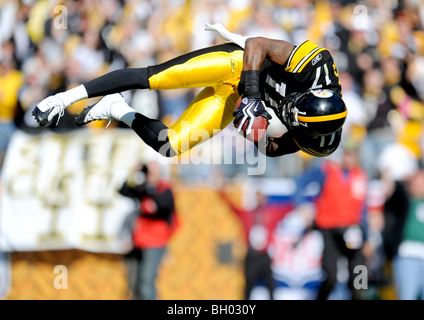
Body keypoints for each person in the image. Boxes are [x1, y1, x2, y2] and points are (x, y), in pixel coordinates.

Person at [32, 23, 346, 159]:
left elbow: (272, 150)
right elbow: (257, 44)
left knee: (170, 147)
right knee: (154, 78)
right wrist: (252, 95)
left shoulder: (321, 140)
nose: (288, 109)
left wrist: (255, 133)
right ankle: (63, 98)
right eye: (295, 105)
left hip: (238, 99)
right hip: (239, 67)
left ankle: (117, 109)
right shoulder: (316, 65)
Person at [293, 138, 369, 300]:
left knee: (359, 273)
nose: (350, 158)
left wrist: (368, 238)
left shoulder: (361, 176)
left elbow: (363, 209)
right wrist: (303, 206)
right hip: (329, 229)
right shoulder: (327, 171)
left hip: (352, 230)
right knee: (331, 275)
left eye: (353, 155)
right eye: (347, 154)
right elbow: (299, 183)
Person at [218, 183, 292, 300]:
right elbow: (233, 207)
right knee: (248, 288)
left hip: (264, 256)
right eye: (257, 196)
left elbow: (288, 208)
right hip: (251, 257)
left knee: (271, 287)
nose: (259, 199)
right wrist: (221, 191)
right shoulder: (248, 214)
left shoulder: (271, 213)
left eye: (261, 196)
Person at [118, 161, 178, 300]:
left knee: (147, 281)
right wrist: (134, 173)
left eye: (152, 172)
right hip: (138, 241)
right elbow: (123, 191)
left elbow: (164, 207)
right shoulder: (143, 190)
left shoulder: (164, 190)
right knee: (134, 282)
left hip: (155, 242)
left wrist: (150, 185)